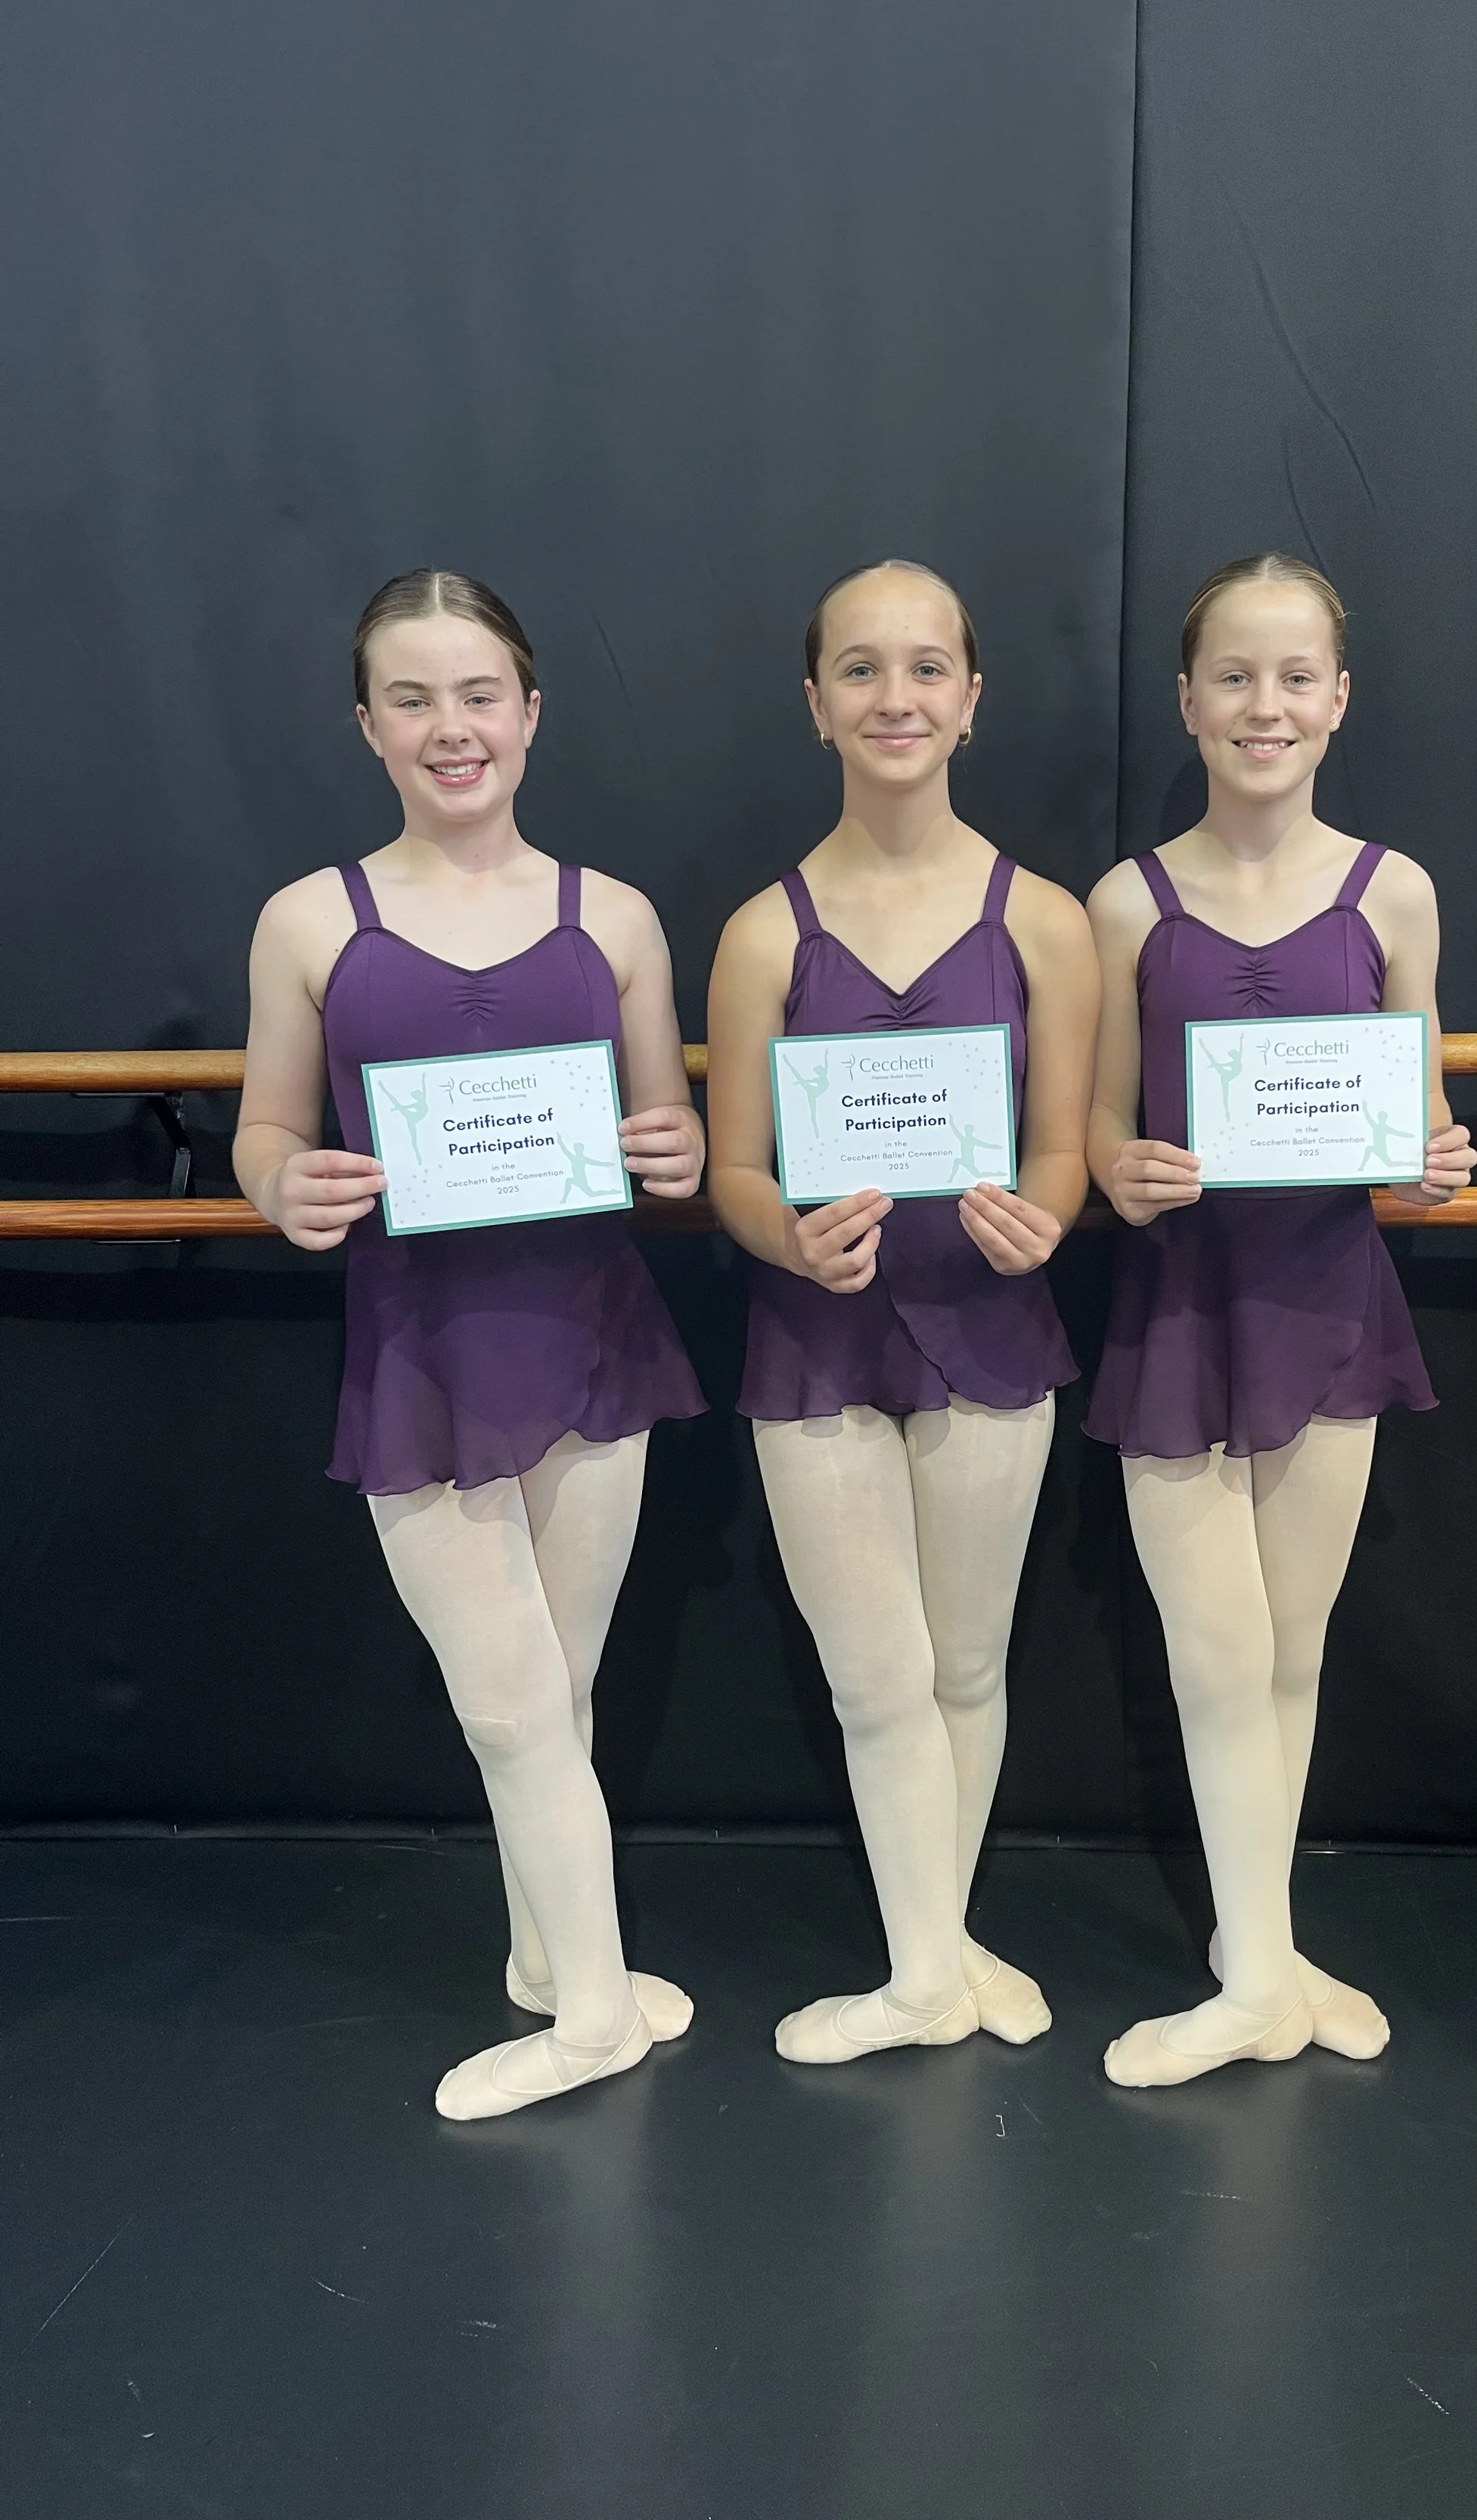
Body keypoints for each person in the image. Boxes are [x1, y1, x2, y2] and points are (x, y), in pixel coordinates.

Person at [233, 569, 707, 2120]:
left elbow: (669, 1135)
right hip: (421, 1357)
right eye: (414, 698)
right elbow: (262, 1132)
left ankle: (540, 1959)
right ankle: (592, 2011)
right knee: (505, 1706)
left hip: (588, 1346)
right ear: (367, 724)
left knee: (555, 1694)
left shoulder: (613, 915)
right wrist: (280, 1185)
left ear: (531, 710)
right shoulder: (311, 918)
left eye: (479, 692)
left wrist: (677, 1153)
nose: (453, 727)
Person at [1084, 552, 1477, 2088]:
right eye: (1233, 676)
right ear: (1186, 702)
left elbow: (1418, 1127)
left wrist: (1437, 1169)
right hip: (1180, 1310)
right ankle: (1252, 1970)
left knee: (1290, 1647)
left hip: (1327, 1309)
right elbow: (1104, 1136)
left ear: (1336, 699)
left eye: (1293, 675)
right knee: (1214, 1650)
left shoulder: (1394, 891)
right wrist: (1123, 1168)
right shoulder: (1128, 898)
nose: (1264, 705)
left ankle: (1265, 1945)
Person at [707, 559, 1100, 2063]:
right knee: (872, 1675)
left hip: (989, 1332)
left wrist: (1044, 1215)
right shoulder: (760, 934)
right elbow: (736, 1170)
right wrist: (790, 1242)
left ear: (971, 698)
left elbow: (1062, 1146)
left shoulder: (1046, 923)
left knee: (965, 1666)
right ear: (816, 705)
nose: (895, 697)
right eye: (859, 670)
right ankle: (929, 1978)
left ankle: (929, 1952)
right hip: (814, 1344)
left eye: (924, 667)